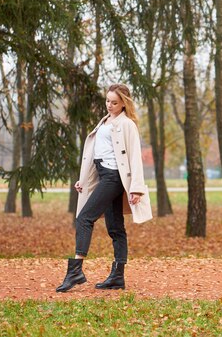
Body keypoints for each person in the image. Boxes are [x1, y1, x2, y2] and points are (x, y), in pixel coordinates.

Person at [56, 83, 152, 292]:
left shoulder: (127, 125)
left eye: (114, 102)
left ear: (124, 104)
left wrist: (136, 188)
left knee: (84, 217)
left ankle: (76, 271)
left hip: (114, 178)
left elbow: (134, 156)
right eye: (107, 101)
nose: (109, 105)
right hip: (103, 176)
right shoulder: (104, 121)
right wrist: (84, 180)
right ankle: (118, 276)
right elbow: (96, 155)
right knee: (115, 227)